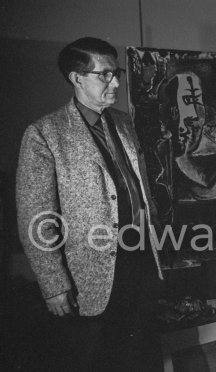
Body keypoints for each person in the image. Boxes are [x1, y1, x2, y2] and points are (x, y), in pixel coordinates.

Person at [16, 37, 163, 371]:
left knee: (139, 359)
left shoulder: (124, 122)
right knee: (95, 360)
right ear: (76, 78)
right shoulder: (45, 134)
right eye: (104, 74)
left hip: (138, 266)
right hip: (90, 279)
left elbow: (139, 188)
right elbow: (34, 217)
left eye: (117, 73)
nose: (115, 82)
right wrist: (53, 284)